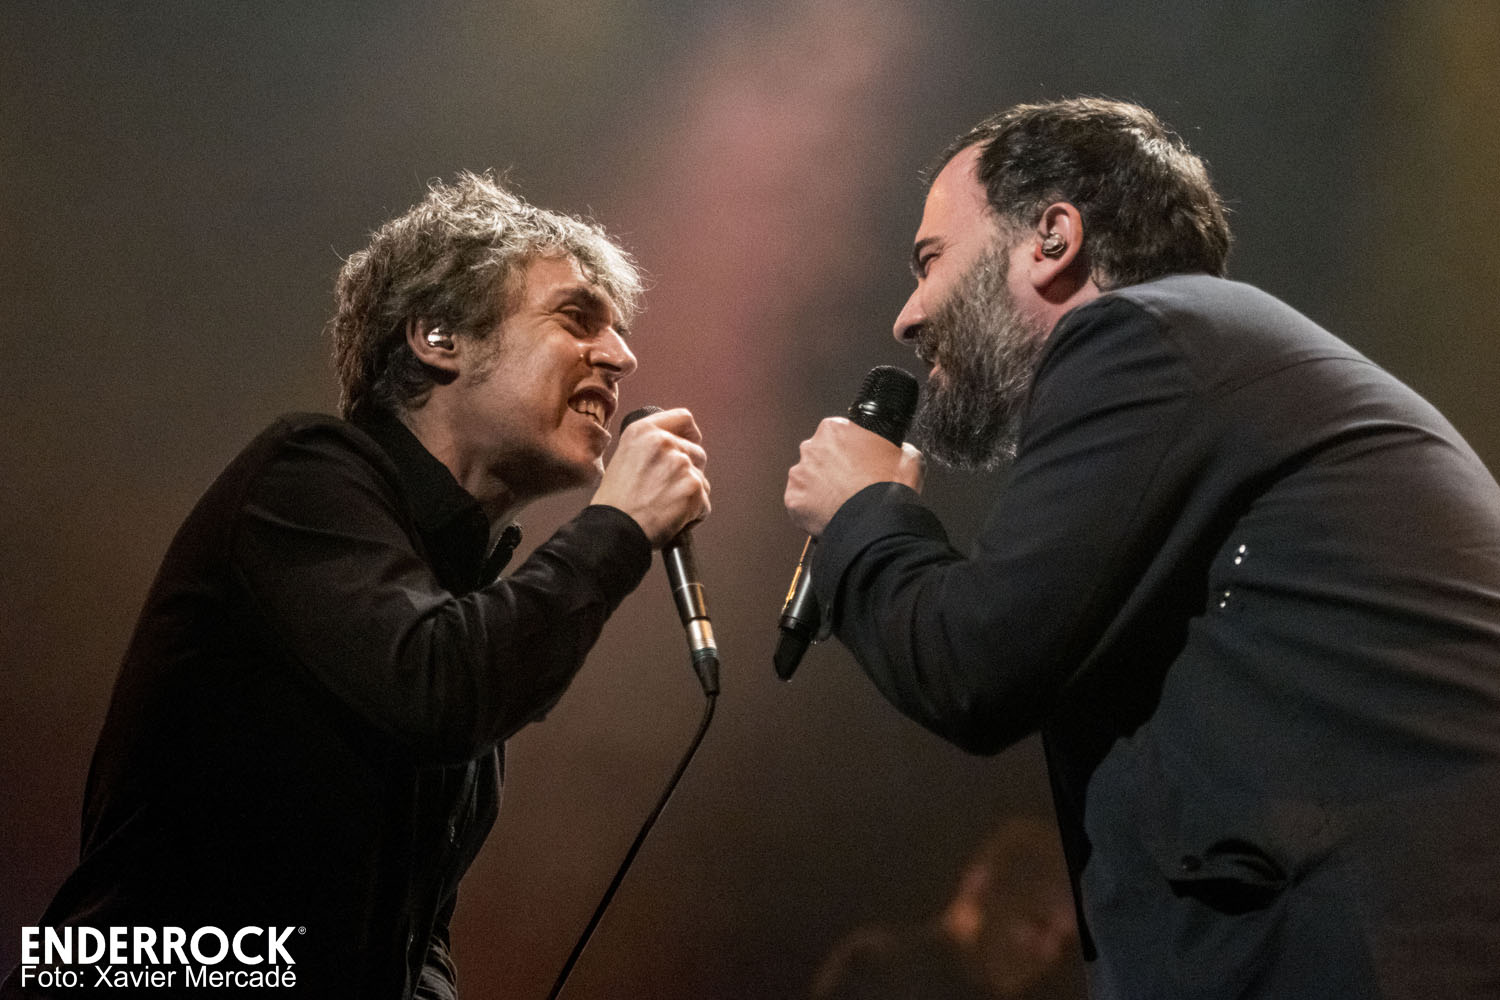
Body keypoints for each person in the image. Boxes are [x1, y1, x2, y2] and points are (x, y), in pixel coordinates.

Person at [784, 98, 1500, 997]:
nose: (908, 315)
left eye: (931, 261)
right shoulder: (1211, 352)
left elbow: (972, 661)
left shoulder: (1141, 337)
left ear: (1052, 238)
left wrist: (862, 513)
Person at [4, 171, 710, 999]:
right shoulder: (300, 476)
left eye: (618, 331)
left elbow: (416, 931)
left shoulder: (455, 600)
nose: (621, 356)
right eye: (577, 317)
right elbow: (440, 687)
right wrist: (617, 527)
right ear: (439, 336)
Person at [810, 816, 1083, 1000]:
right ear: (983, 888)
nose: (1048, 952)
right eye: (1036, 922)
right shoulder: (881, 969)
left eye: (1062, 940)